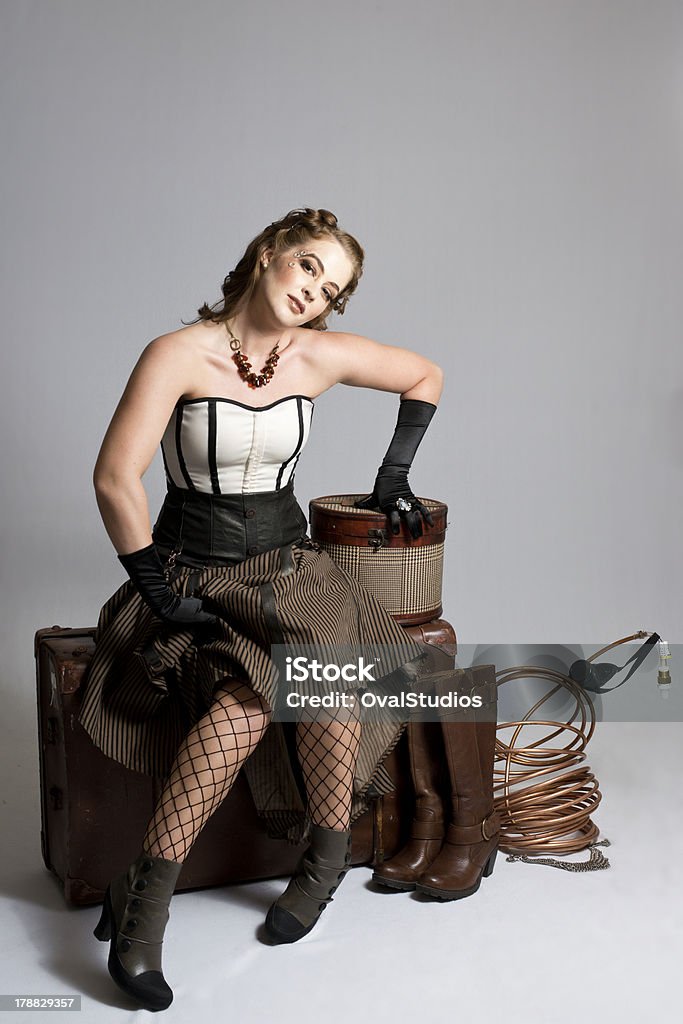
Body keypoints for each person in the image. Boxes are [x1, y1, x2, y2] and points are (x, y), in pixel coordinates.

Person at [79, 206, 443, 1011]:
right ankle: (147, 903)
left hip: (288, 569)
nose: (315, 292)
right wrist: (156, 591)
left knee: (325, 677)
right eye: (309, 267)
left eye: (332, 289)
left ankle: (321, 863)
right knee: (246, 706)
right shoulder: (177, 354)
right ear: (271, 253)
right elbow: (115, 479)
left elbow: (426, 375)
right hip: (188, 572)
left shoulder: (317, 356)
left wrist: (392, 476)